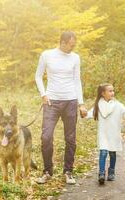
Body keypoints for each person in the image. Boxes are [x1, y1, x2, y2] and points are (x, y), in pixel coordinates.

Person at [35, 31, 87, 184]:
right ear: (63, 42)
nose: (73, 47)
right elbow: (38, 76)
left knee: (70, 138)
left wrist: (81, 103)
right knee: (46, 137)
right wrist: (43, 94)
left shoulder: (75, 57)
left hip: (70, 101)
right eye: (71, 44)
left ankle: (68, 171)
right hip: (52, 102)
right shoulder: (47, 55)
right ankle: (47, 171)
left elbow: (77, 81)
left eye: (74, 44)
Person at [85, 83, 125, 185]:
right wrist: (83, 113)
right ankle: (101, 173)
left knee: (112, 153)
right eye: (110, 91)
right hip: (103, 133)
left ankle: (111, 171)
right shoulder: (98, 105)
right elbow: (89, 114)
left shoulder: (117, 105)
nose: (112, 93)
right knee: (103, 152)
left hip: (113, 133)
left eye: (113, 91)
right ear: (103, 93)